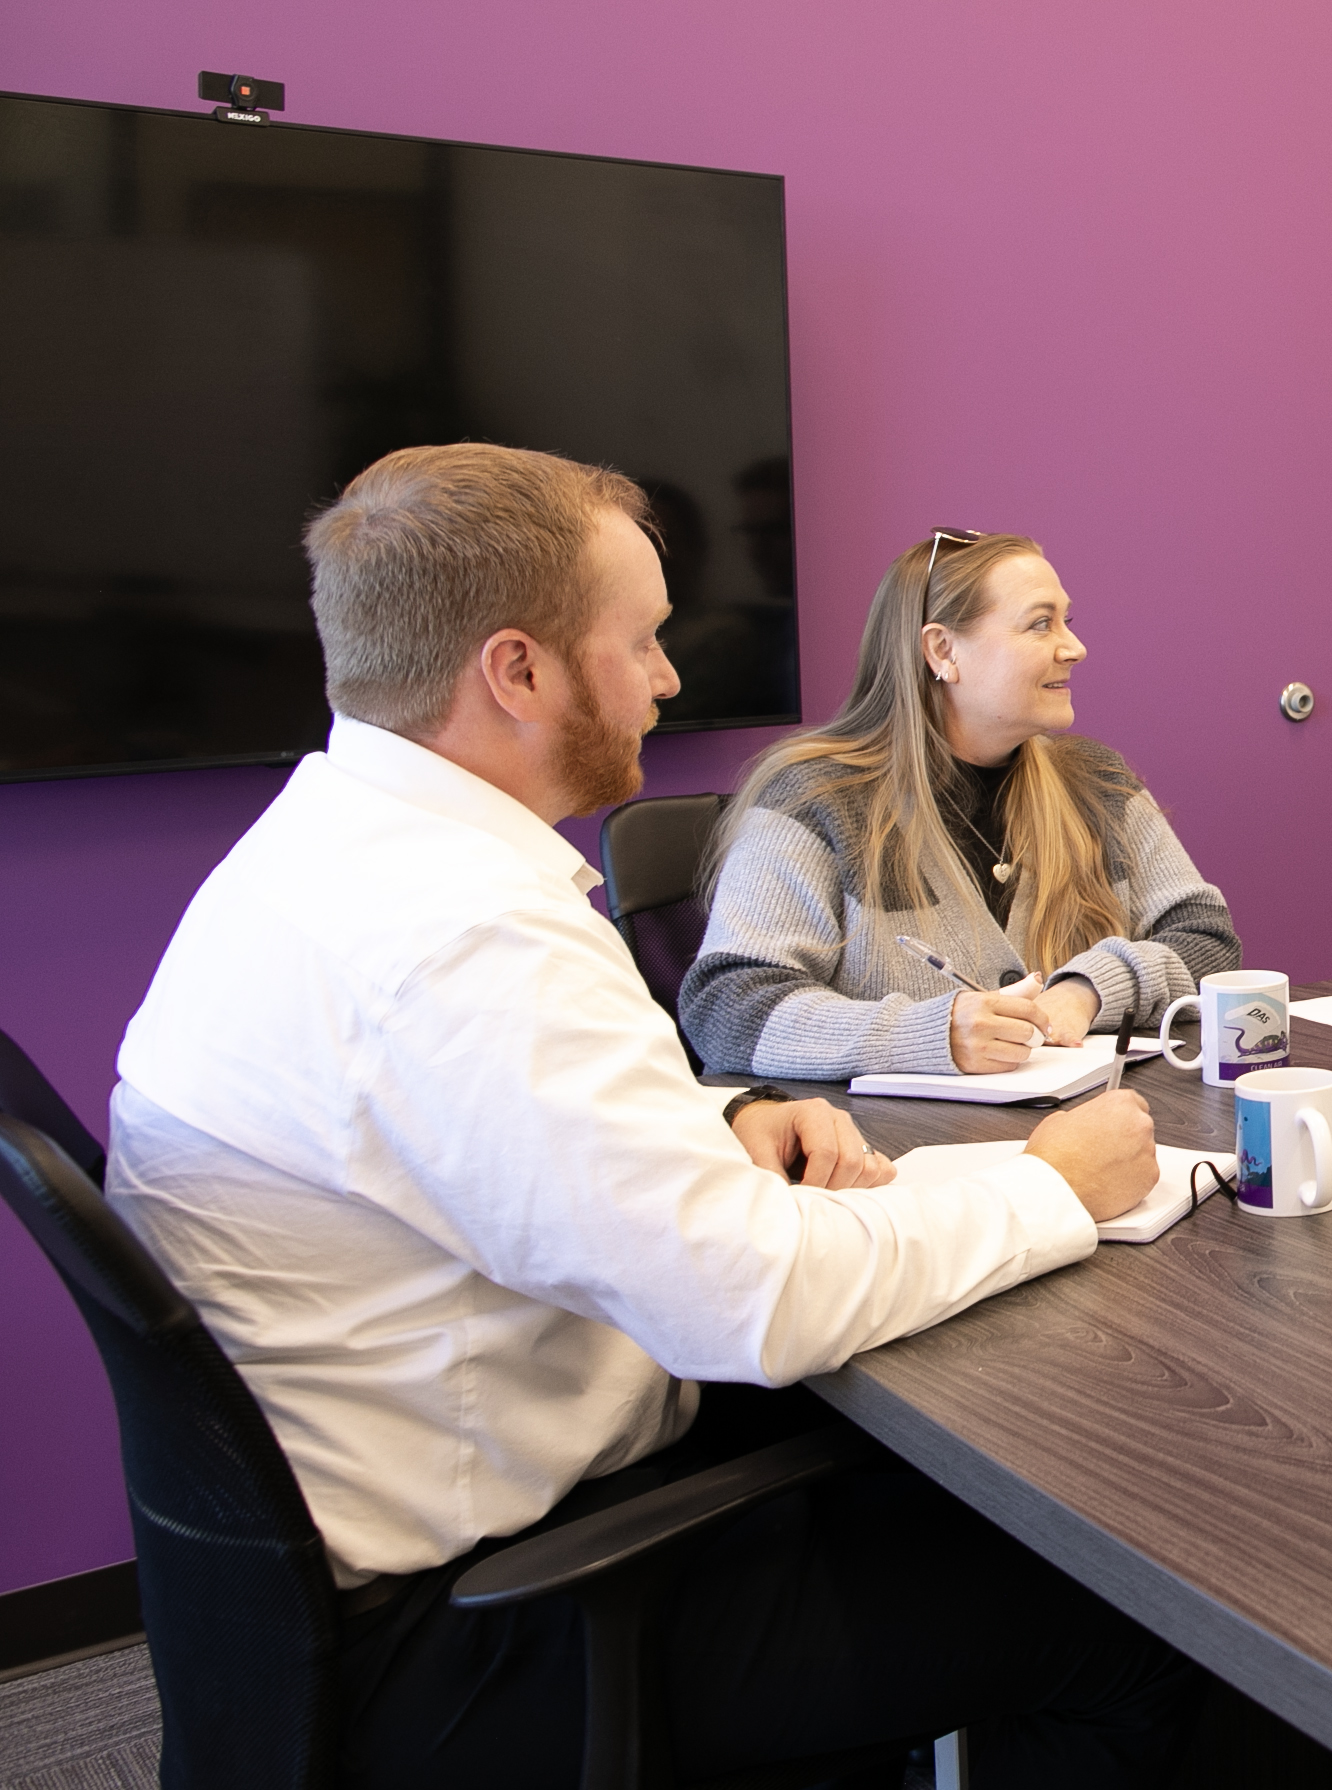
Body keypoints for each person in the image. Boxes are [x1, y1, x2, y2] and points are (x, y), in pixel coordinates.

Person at [103, 444, 1206, 1785]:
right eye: (642, 641)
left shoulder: (327, 853)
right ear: (517, 671)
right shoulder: (462, 937)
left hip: (362, 1581)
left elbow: (492, 1131)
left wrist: (718, 1111)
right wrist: (1049, 1182)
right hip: (478, 1625)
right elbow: (749, 1304)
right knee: (1134, 1617)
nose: (673, 677)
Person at [683, 528, 1240, 1079]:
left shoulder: (1099, 784)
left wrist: (1091, 987)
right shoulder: (813, 800)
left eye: (1068, 621)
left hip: (1084, 1133)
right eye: (1041, 623)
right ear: (942, 650)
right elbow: (725, 1006)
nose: (1074, 647)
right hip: (890, 1156)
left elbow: (1208, 941)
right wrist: (929, 1035)